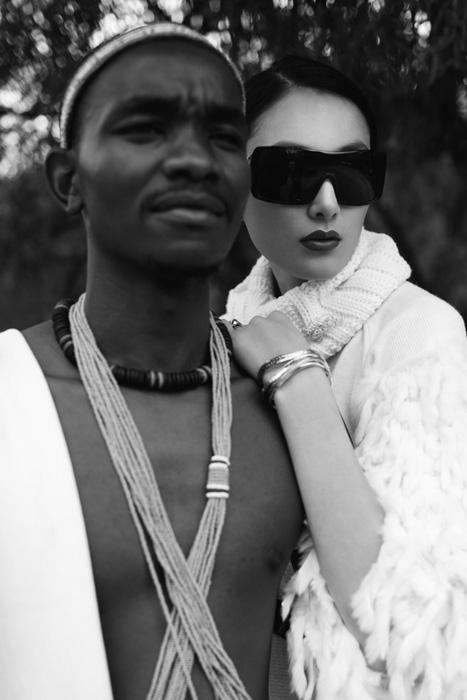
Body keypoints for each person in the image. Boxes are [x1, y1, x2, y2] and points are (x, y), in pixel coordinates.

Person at [0, 24, 305, 700]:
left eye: (223, 138)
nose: (195, 159)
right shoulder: (11, 400)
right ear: (68, 180)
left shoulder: (293, 403)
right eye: (146, 129)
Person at [226, 53, 467, 700]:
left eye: (353, 172)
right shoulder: (228, 334)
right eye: (292, 172)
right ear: (232, 179)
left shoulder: (417, 334)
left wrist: (297, 380)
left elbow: (409, 626)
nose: (327, 202)